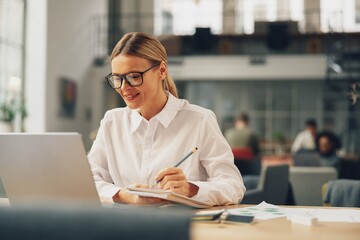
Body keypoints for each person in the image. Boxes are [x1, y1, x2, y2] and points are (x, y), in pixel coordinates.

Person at [87, 32, 245, 206]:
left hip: (179, 226)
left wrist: (190, 189)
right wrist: (124, 196)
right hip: (125, 227)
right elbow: (87, 180)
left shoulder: (200, 120)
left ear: (161, 71)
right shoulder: (112, 122)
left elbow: (234, 186)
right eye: (117, 78)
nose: (124, 87)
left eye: (134, 77)